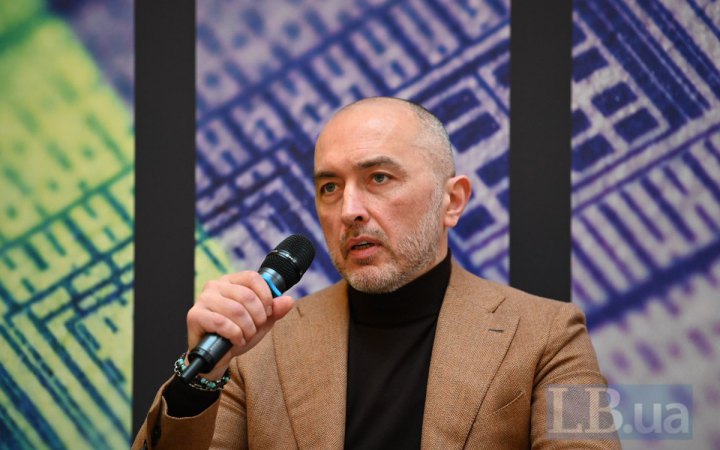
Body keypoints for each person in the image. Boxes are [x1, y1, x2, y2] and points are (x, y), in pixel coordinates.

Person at [133, 97, 620, 449]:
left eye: (379, 178)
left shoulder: (551, 335)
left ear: (452, 201)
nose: (349, 210)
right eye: (329, 187)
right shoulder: (258, 347)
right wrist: (201, 378)